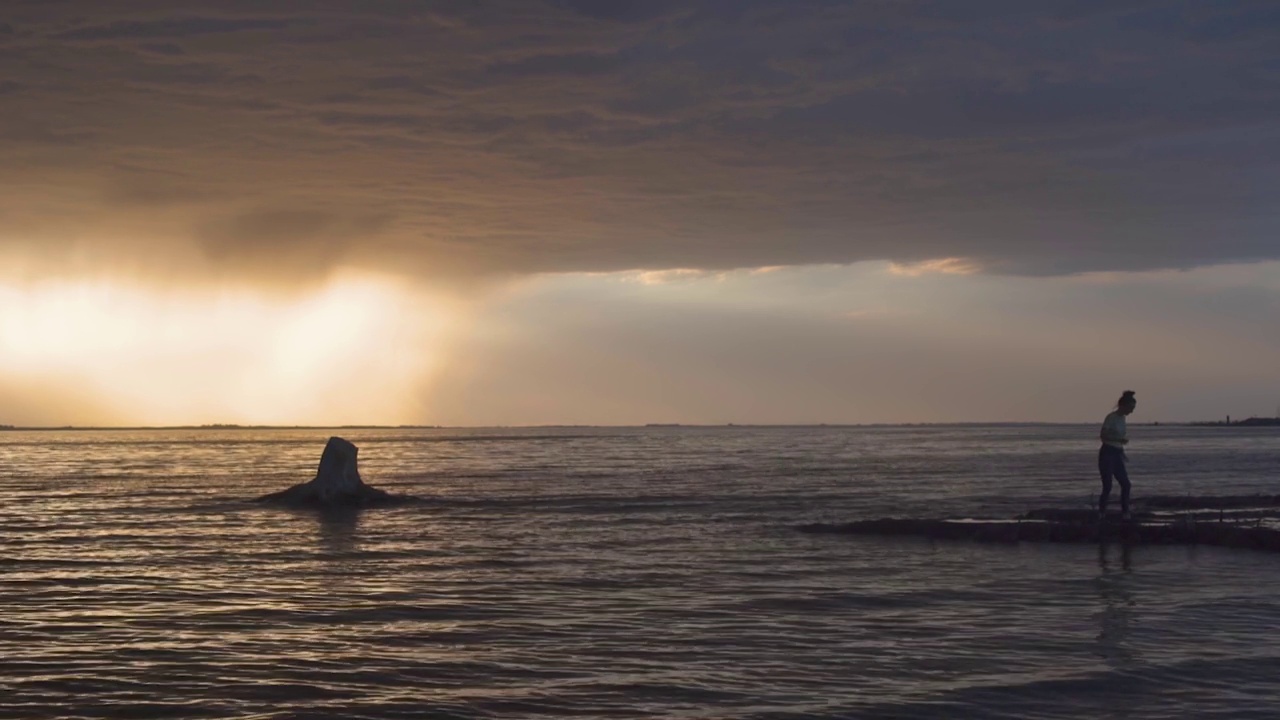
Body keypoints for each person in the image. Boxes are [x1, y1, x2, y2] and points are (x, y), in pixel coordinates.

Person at [1098, 390, 1137, 520]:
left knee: (1126, 484)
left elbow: (1118, 439)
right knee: (1107, 486)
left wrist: (1121, 451)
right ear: (1123, 406)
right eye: (1130, 408)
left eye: (1133, 408)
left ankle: (1125, 512)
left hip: (1117, 453)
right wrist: (1118, 440)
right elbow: (1103, 435)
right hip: (1107, 453)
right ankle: (1101, 512)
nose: (1131, 411)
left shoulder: (1123, 418)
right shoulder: (1111, 417)